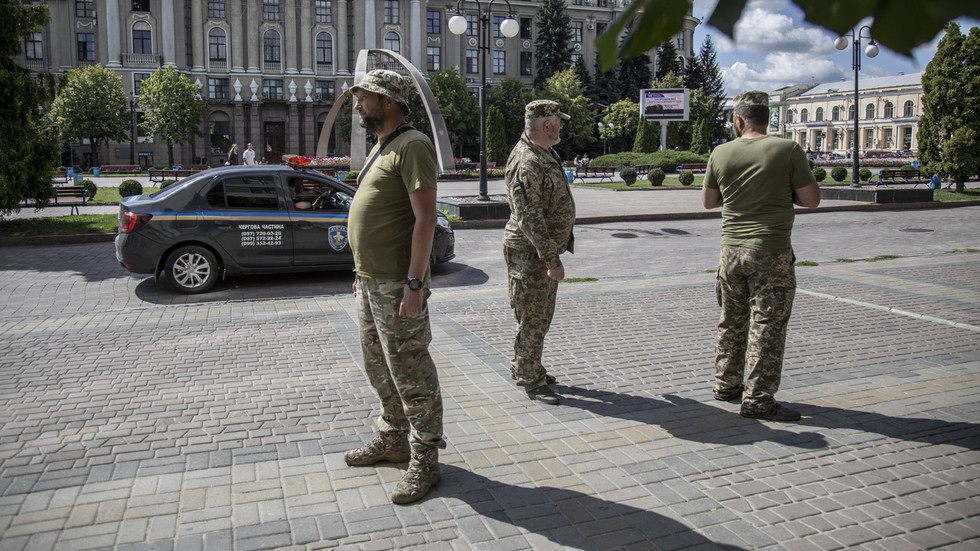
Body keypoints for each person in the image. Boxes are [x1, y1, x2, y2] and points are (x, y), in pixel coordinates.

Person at [343, 69, 444, 505]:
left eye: (362, 97)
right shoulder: (381, 147)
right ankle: (393, 437)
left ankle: (425, 457)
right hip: (370, 282)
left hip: (398, 285)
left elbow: (426, 219)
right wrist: (360, 273)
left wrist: (415, 284)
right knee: (378, 367)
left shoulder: (413, 145)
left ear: (387, 101)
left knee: (410, 370)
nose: (357, 105)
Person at [701, 90, 821, 422]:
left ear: (738, 120)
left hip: (731, 253)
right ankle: (758, 399)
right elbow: (811, 200)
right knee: (767, 325)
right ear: (767, 119)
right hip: (771, 251)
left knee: (731, 321)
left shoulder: (721, 152)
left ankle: (725, 385)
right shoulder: (787, 149)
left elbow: (709, 202)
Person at [503, 99, 576, 406]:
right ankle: (531, 378)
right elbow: (528, 215)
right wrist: (551, 259)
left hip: (540, 251)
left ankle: (527, 363)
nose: (561, 125)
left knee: (540, 315)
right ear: (547, 125)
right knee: (533, 316)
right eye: (558, 120)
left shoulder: (543, 153)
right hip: (531, 253)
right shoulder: (527, 161)